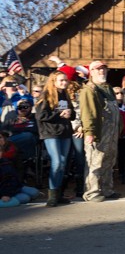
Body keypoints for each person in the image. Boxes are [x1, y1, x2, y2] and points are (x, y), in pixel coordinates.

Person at [79, 61, 122, 202]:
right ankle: (92, 192)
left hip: (112, 132)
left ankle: (107, 189)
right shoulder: (90, 89)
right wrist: (90, 132)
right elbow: (88, 113)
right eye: (97, 70)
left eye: (103, 69)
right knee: (95, 162)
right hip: (99, 132)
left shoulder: (108, 88)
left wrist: (119, 128)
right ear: (91, 72)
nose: (101, 72)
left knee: (109, 161)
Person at [35, 70, 75, 206]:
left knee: (63, 164)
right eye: (61, 80)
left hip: (65, 132)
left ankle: (58, 194)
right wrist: (59, 114)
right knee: (56, 162)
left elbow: (72, 114)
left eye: (65, 80)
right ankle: (51, 195)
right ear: (54, 82)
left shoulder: (65, 95)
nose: (64, 83)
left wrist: (70, 113)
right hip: (51, 133)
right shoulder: (46, 95)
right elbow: (41, 116)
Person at [0, 132, 40, 207]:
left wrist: (18, 184)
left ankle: (13, 196)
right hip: (4, 189)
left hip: (14, 184)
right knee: (25, 198)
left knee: (34, 192)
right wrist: (6, 194)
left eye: (0, 137)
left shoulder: (13, 150)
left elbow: (19, 170)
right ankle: (9, 199)